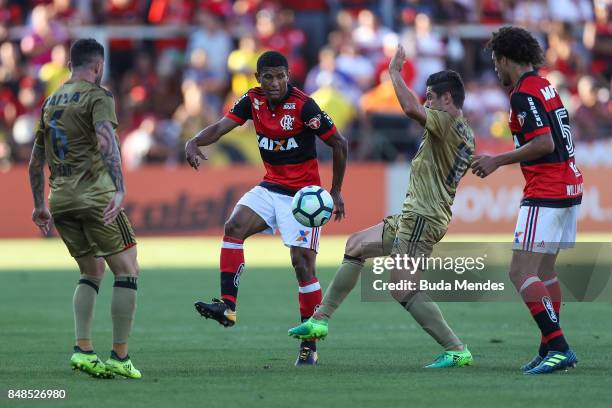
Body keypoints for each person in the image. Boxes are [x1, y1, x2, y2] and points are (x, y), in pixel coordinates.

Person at [289, 45, 475, 369]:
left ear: (447, 99)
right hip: (414, 216)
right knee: (356, 245)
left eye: (430, 96)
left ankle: (456, 349)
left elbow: (410, 109)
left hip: (423, 217)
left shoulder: (449, 124)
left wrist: (393, 73)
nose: (426, 101)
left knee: (402, 287)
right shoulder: (460, 131)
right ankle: (320, 320)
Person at [185, 51, 348, 366]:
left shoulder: (304, 106)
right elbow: (220, 127)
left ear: (288, 76)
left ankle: (309, 345)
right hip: (270, 187)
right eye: (268, 77)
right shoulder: (252, 99)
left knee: (302, 265)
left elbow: (339, 143)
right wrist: (194, 141)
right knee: (233, 227)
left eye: (280, 76)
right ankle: (227, 306)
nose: (275, 83)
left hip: (303, 198)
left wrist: (336, 191)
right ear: (258, 78)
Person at [28, 39, 141, 379]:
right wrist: (119, 187)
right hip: (94, 196)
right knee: (128, 269)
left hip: (59, 200)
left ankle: (83, 350)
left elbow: (35, 162)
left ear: (69, 66)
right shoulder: (99, 96)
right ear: (98, 66)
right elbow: (106, 138)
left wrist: (39, 206)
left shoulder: (50, 102)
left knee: (91, 272)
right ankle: (120, 357)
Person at [471, 26, 582, 375]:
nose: (495, 69)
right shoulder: (544, 84)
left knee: (520, 271)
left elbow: (544, 143)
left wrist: (496, 159)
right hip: (568, 185)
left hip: (546, 189)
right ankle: (548, 346)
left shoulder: (523, 94)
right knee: (545, 272)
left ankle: (560, 346)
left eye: (495, 61)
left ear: (506, 58)